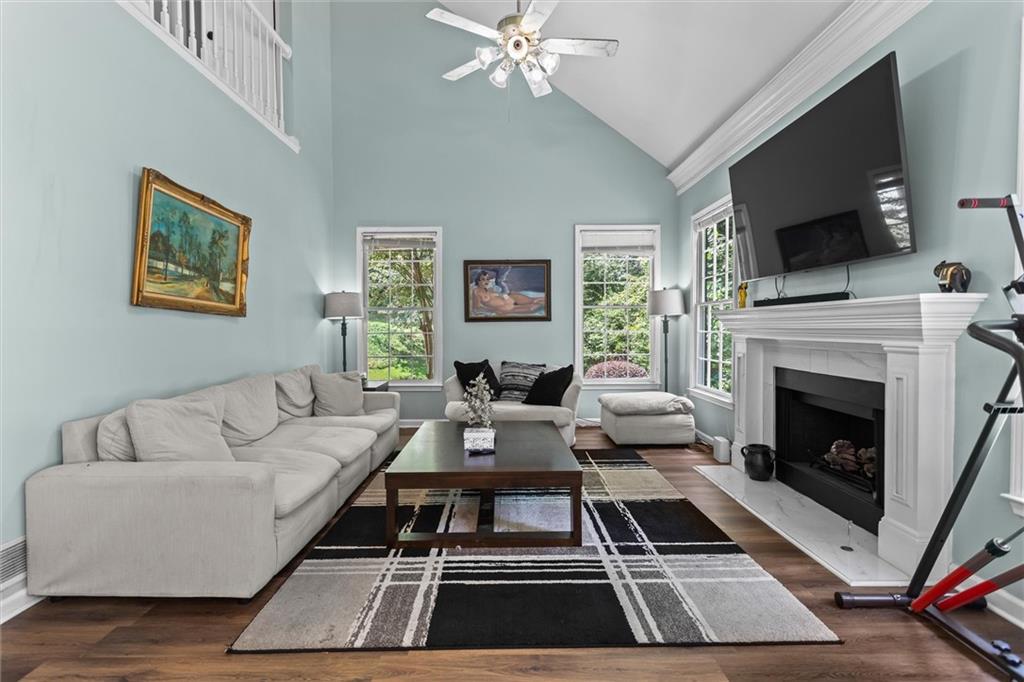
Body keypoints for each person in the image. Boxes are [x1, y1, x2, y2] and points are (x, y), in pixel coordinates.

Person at [471, 270, 545, 315]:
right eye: (483, 279)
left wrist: (505, 296)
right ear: (478, 281)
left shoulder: (490, 288)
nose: (487, 281)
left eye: (487, 279)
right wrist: (493, 310)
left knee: (534, 300)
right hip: (507, 308)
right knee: (534, 307)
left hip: (511, 298)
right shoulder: (476, 292)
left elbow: (500, 293)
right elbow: (477, 308)